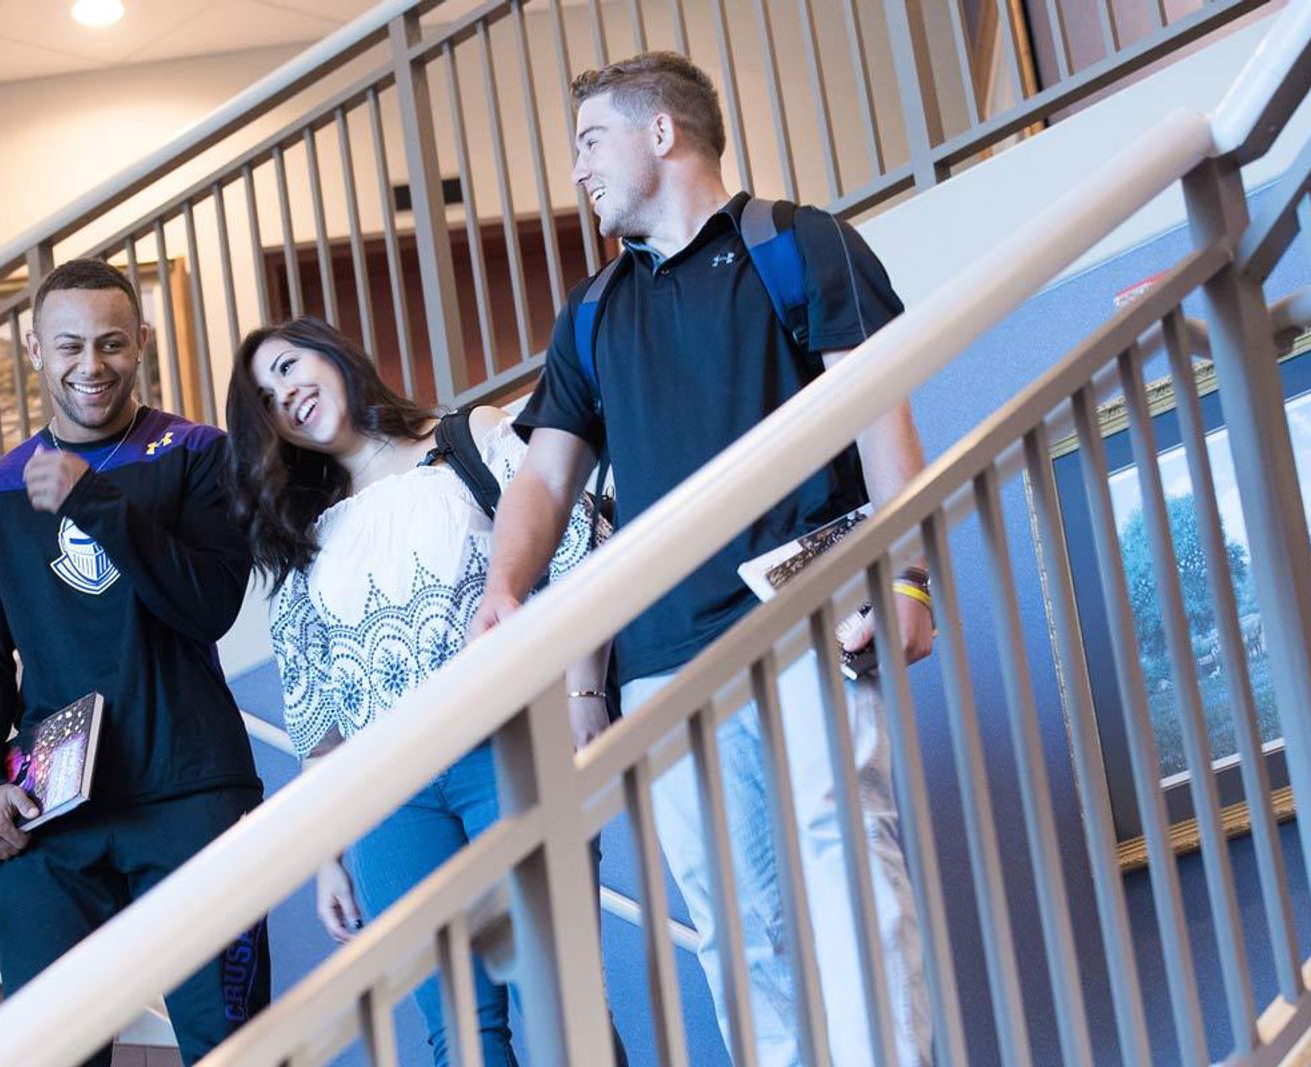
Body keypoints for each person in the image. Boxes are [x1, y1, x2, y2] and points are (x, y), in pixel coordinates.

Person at [469, 52, 935, 1067]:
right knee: (736, 919)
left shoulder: (797, 245)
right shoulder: (591, 313)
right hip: (664, 658)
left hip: (808, 610)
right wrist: (506, 588)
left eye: (590, 142)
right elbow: (543, 480)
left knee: (846, 865)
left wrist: (904, 576)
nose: (578, 169)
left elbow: (877, 410)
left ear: (660, 134)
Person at [225, 316, 613, 1067]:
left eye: (287, 365)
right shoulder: (303, 536)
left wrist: (583, 695)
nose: (286, 394)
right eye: (266, 398)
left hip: (508, 749)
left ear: (333, 353)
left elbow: (576, 553)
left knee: (563, 1006)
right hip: (386, 796)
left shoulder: (469, 439)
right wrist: (329, 854)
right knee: (459, 1037)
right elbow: (319, 720)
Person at [0, 258, 268, 1065]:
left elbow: (207, 605)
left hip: (193, 795)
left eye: (112, 343)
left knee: (231, 1041)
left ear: (143, 343)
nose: (91, 365)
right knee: (52, 1046)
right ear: (34, 348)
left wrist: (92, 496)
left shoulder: (197, 453)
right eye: (70, 345)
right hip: (53, 814)